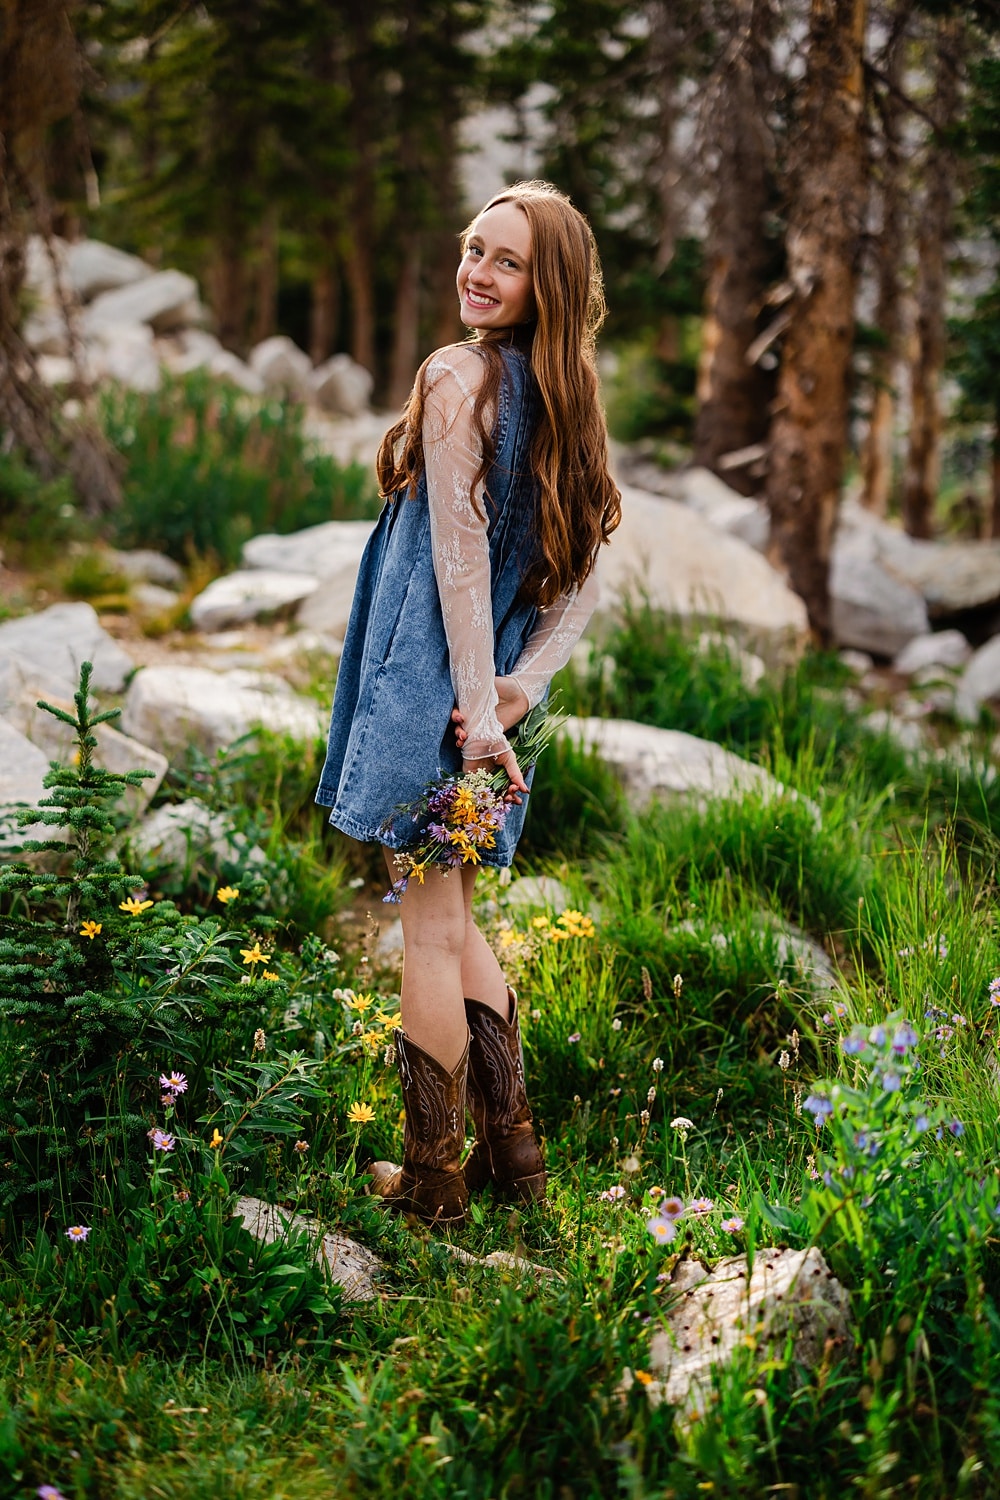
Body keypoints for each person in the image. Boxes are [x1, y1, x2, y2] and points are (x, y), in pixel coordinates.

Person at [315, 180, 621, 1225]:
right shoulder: (563, 398)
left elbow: (454, 564)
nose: (476, 273)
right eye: (472, 249)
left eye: (506, 261)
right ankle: (516, 1160)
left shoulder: (457, 378)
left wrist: (487, 709)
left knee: (429, 931)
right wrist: (519, 684)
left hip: (430, 695)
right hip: (477, 698)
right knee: (455, 917)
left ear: (550, 284)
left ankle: (432, 1186)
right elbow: (583, 583)